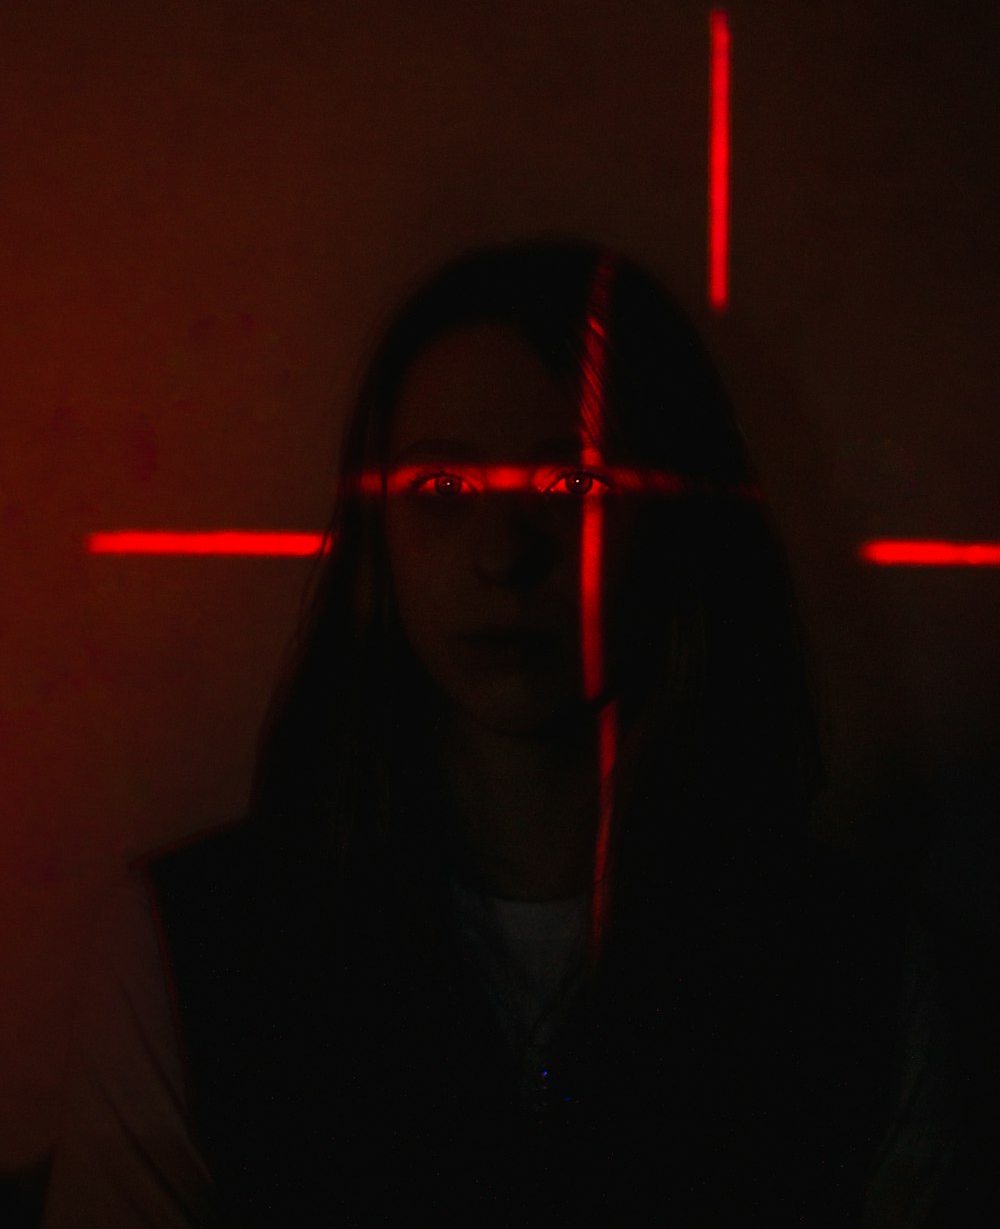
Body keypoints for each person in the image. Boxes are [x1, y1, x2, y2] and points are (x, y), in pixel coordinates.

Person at [42, 239, 954, 1227]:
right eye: (441, 492)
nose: (502, 555)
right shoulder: (191, 956)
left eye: (573, 488)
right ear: (376, 544)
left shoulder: (854, 979)